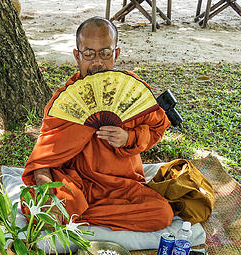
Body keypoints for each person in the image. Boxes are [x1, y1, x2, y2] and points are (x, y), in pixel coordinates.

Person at [22, 17, 173, 232]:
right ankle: (72, 213)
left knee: (162, 214)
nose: (97, 62)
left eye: (105, 53)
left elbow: (157, 128)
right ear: (77, 56)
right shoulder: (65, 103)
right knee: (41, 212)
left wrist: (128, 138)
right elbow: (42, 161)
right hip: (79, 184)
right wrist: (48, 194)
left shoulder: (130, 93)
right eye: (89, 53)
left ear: (116, 54)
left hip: (122, 186)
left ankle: (76, 217)